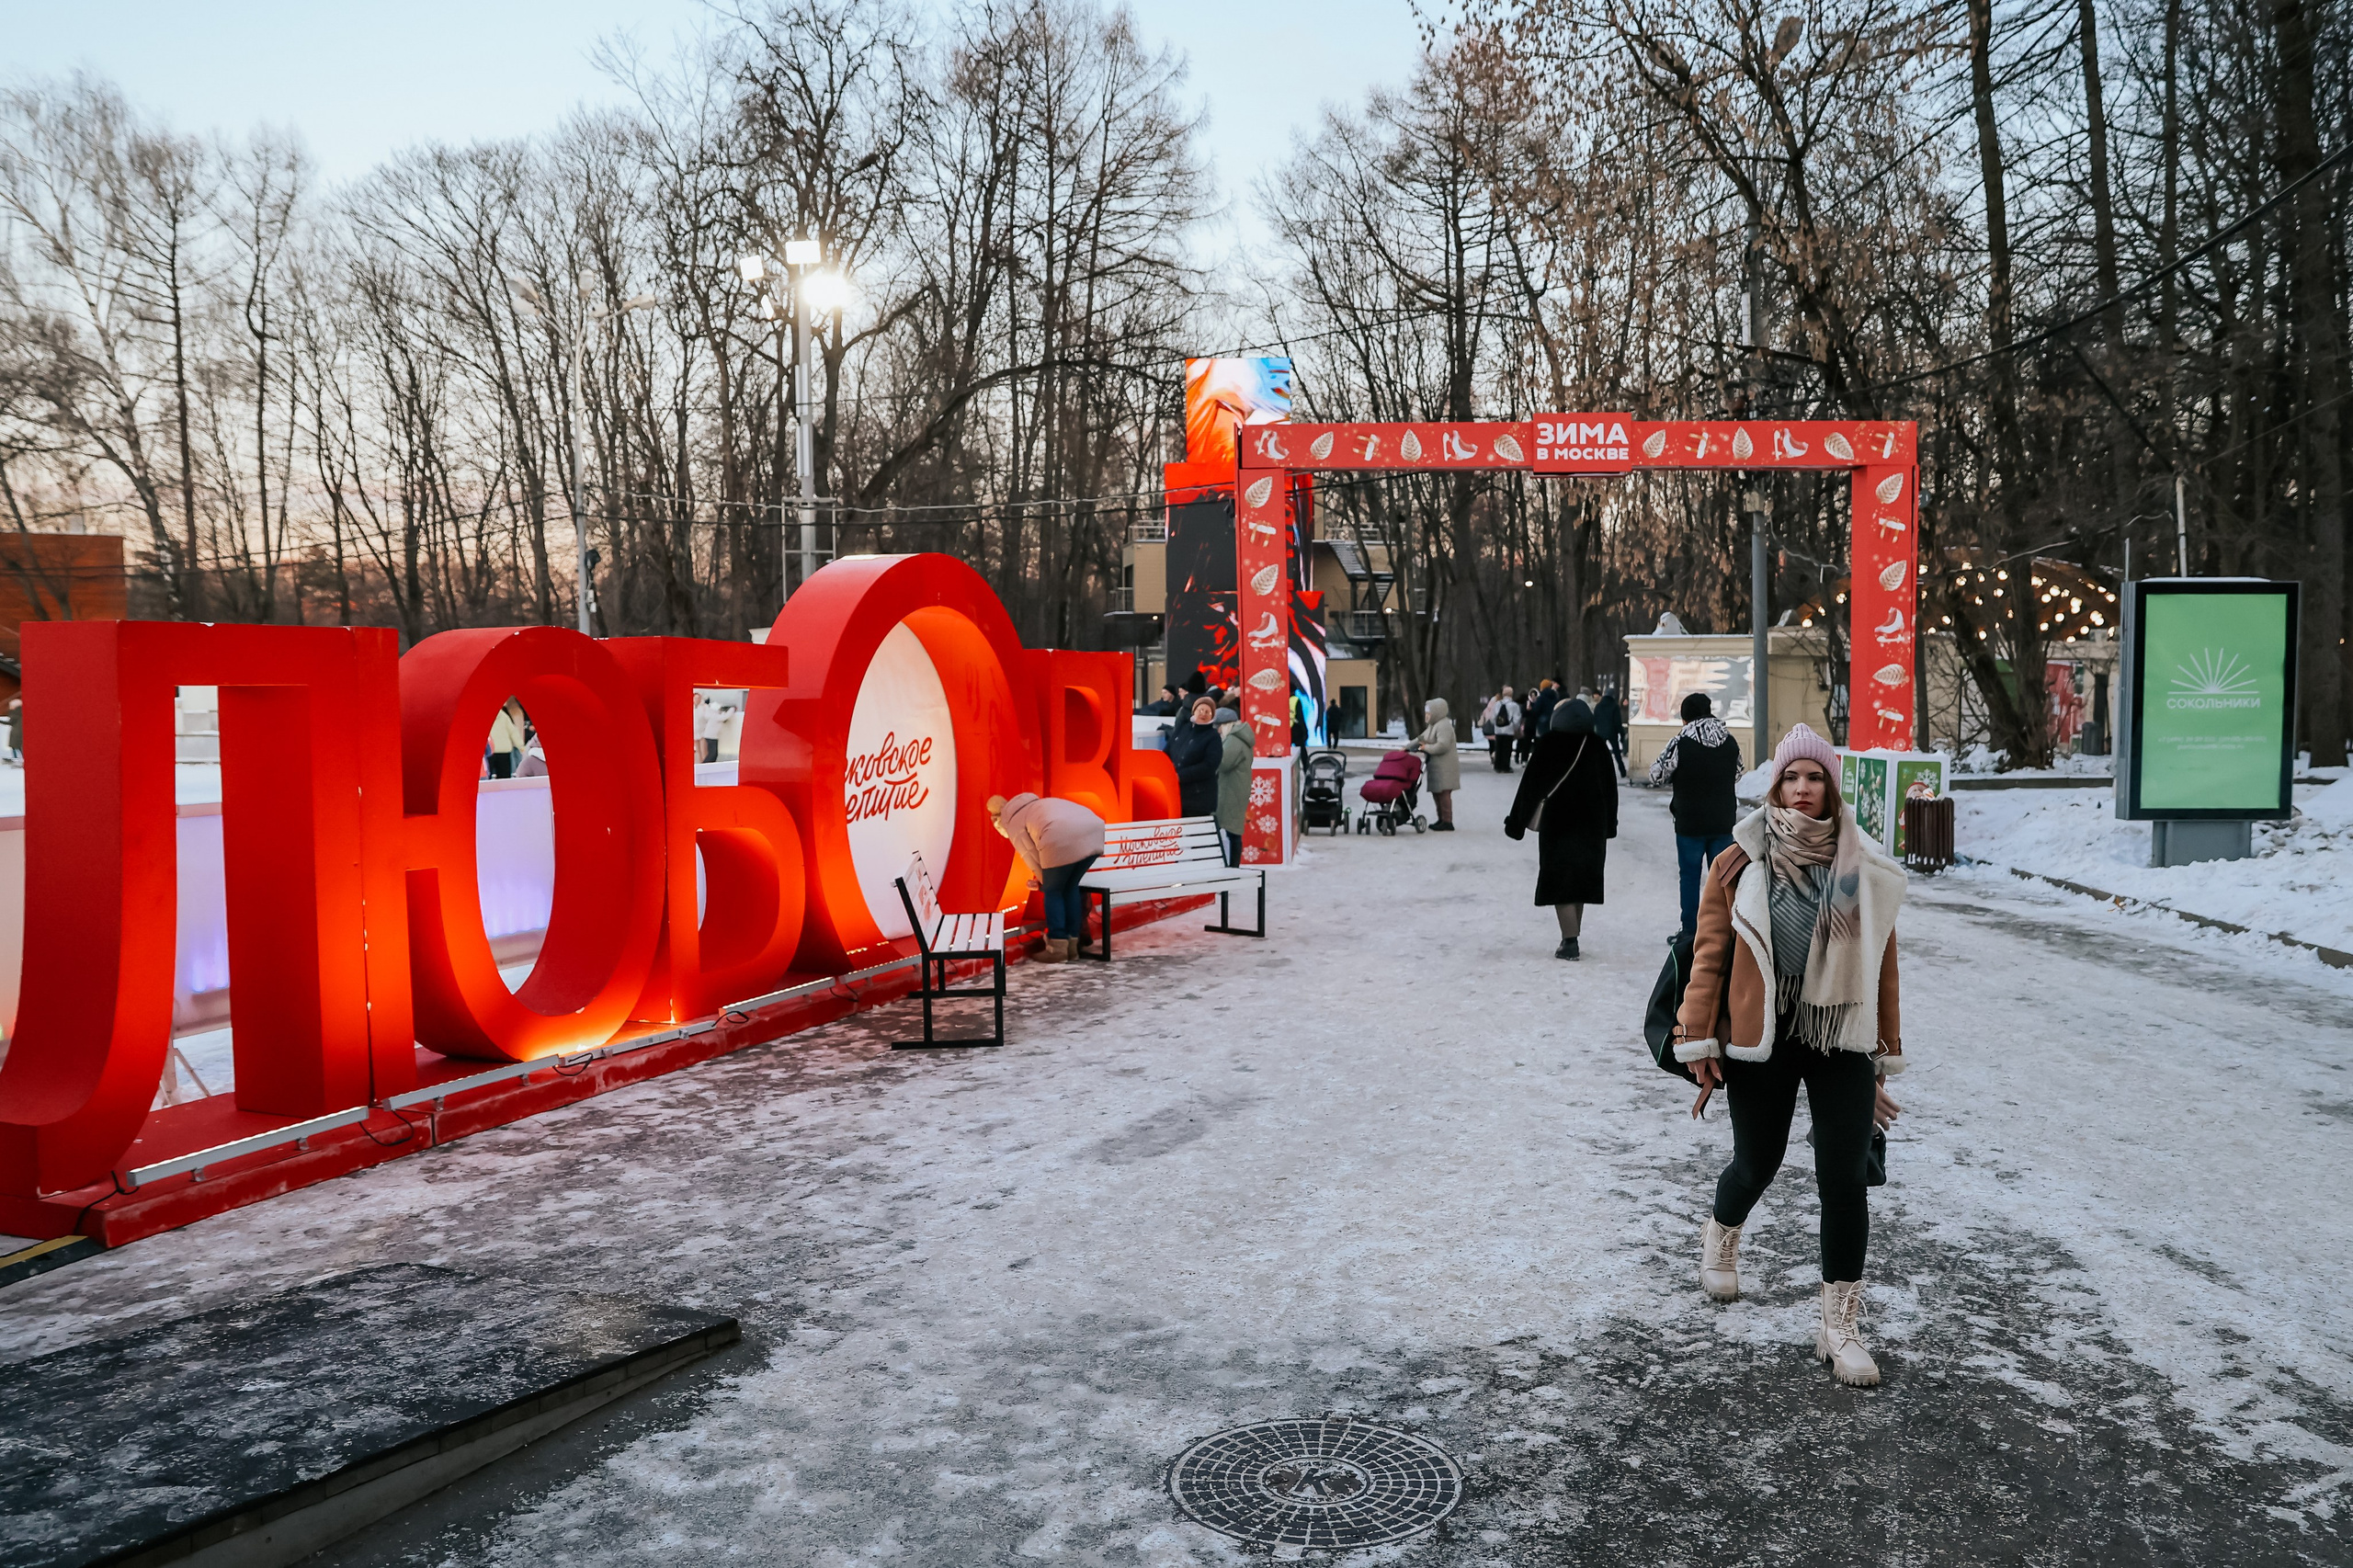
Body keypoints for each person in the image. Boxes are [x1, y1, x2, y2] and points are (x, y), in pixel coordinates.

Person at [1673, 723, 1907, 1387]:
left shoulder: (1865, 867)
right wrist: (1698, 1039)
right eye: (1791, 778)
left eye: (1815, 779)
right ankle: (1722, 1230)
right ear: (1774, 785)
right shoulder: (1738, 861)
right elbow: (1709, 956)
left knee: (1844, 1179)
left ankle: (1841, 1327)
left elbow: (1883, 969)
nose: (1802, 790)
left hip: (1840, 1037)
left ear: (1832, 788)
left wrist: (1881, 1058)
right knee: (1758, 1162)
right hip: (1762, 1038)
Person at [1504, 699, 1618, 960]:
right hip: (1592, 825)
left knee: (1561, 879)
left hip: (1558, 824)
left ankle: (1569, 940)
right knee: (1581, 880)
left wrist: (1516, 822)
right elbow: (1611, 790)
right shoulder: (1598, 746)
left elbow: (1529, 787)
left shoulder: (1548, 744)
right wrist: (1610, 825)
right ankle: (1572, 935)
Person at [1649, 691, 1742, 933]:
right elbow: (1738, 772)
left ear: (1685, 717)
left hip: (1689, 822)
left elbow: (1656, 774)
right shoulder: (1729, 740)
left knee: (1690, 878)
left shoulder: (1681, 741)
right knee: (1724, 879)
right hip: (1723, 822)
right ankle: (1723, 931)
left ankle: (1690, 933)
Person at [989, 792, 1107, 963]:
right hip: (1093, 835)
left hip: (1061, 839)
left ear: (999, 821)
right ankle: (1073, 947)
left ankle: (1057, 949)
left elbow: (1032, 857)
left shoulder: (1014, 822)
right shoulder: (1035, 806)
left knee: (1054, 891)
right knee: (1071, 887)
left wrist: (1042, 884)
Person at [1406, 697, 1460, 830]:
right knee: (1437, 793)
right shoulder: (1433, 726)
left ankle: (1447, 821)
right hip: (1436, 766)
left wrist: (1426, 748)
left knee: (1444, 793)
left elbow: (1443, 745)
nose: (1427, 716)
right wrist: (1407, 748)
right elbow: (1421, 738)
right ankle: (1441, 819)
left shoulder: (1444, 725)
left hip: (1445, 767)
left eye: (1429, 713)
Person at [1167, 694, 1222, 819]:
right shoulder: (1183, 729)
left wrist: (1181, 776)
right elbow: (1168, 751)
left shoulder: (1213, 737)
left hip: (1198, 798)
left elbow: (1209, 766)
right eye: (1200, 710)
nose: (1203, 713)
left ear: (1212, 716)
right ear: (1194, 711)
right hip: (1176, 795)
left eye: (1208, 711)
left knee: (1195, 836)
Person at [1214, 706, 1256, 865]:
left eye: (1218, 727)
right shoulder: (1241, 737)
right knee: (1233, 831)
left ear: (1225, 725)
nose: (1217, 731)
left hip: (1230, 790)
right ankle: (1232, 867)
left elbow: (1223, 763)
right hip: (1236, 788)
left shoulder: (1234, 740)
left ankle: (1231, 868)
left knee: (1232, 831)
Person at [1480, 686, 1520, 772]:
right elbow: (1517, 719)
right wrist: (1515, 727)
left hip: (1498, 730)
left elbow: (1493, 717)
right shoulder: (1514, 705)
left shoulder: (1497, 704)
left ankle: (1498, 766)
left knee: (1499, 748)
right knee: (1507, 749)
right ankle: (1506, 766)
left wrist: (1496, 725)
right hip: (1509, 730)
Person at [1594, 687, 1629, 781]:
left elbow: (1595, 719)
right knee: (1617, 753)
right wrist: (1621, 734)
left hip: (1600, 733)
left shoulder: (1599, 705)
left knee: (1600, 754)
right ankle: (1622, 771)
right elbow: (1617, 722)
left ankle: (1598, 772)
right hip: (1612, 733)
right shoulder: (1614, 706)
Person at [486, 699, 525, 779]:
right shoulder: (503, 716)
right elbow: (513, 732)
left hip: (489, 751)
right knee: (504, 778)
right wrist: (521, 746)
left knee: (487, 778)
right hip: (504, 751)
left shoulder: (482, 716)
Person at [1523, 679, 1559, 763]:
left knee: (1540, 743)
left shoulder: (1541, 697)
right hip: (1552, 722)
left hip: (1542, 723)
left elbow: (1536, 711)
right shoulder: (1555, 696)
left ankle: (1540, 761)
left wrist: (1530, 710)